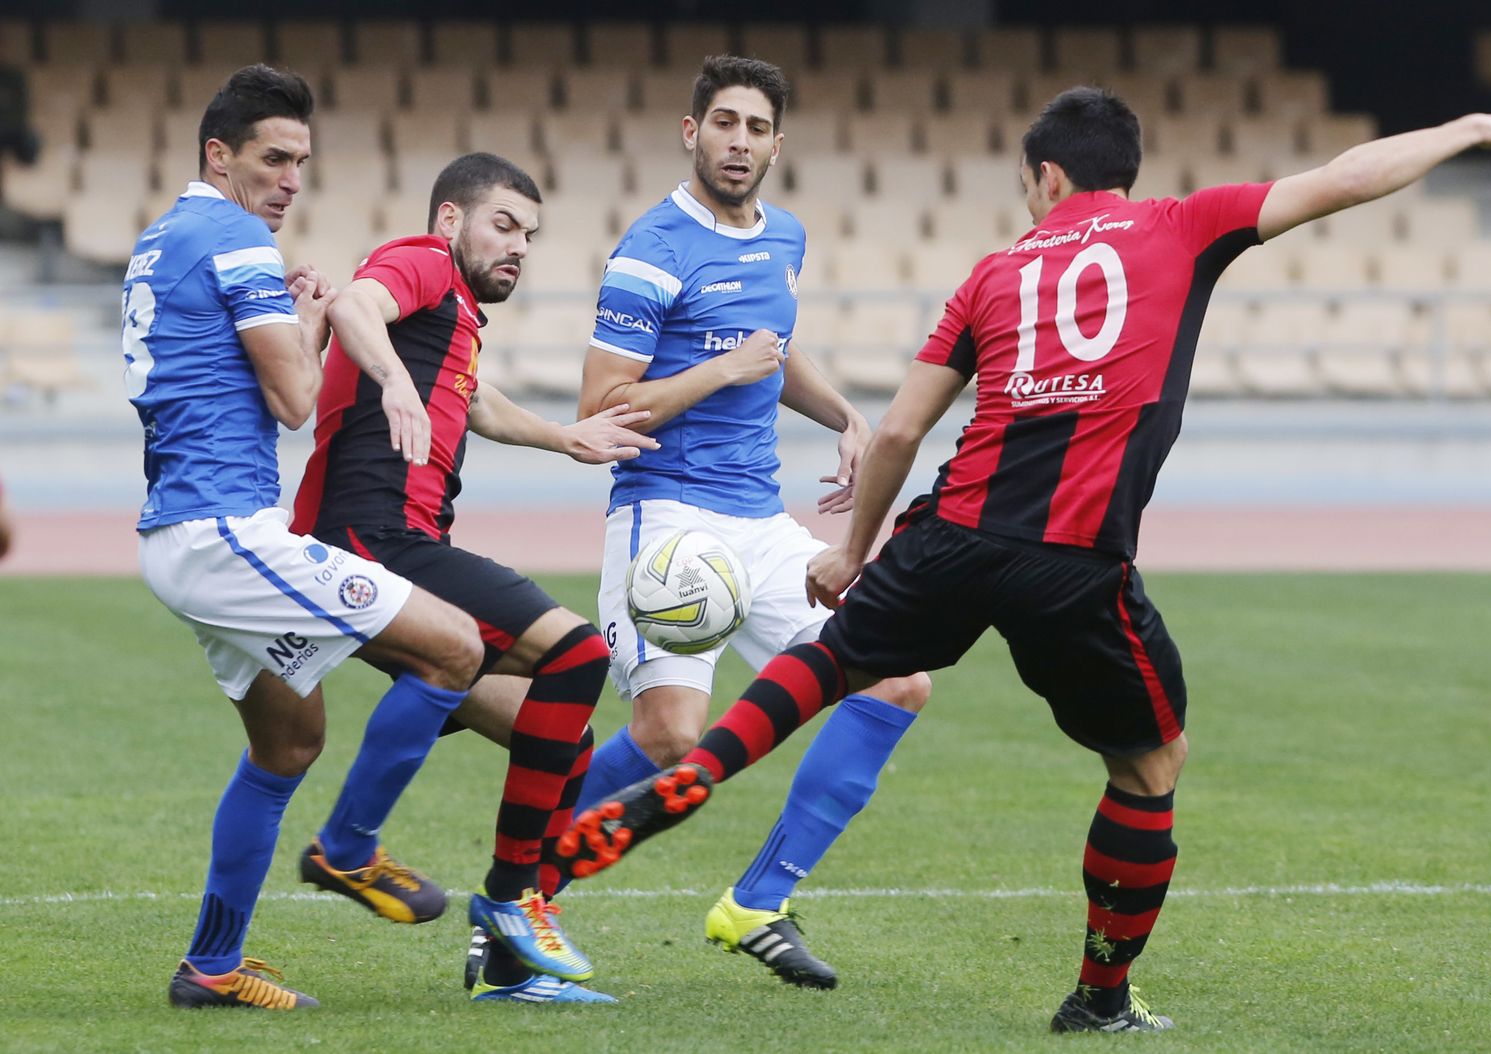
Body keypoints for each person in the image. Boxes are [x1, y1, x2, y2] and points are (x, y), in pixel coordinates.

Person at [552, 89, 1491, 1032]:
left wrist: (854, 549)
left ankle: (700, 772)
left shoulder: (996, 269)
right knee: (1149, 763)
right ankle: (1099, 997)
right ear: (1126, 171)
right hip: (1073, 557)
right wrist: (1462, 125)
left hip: (948, 529)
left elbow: (900, 429)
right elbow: (1342, 177)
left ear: (1046, 179)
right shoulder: (1184, 224)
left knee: (839, 661)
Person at [561, 53, 932, 990]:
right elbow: (605, 408)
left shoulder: (786, 237)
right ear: (691, 133)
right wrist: (718, 372)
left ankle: (757, 903)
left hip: (762, 523)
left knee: (894, 683)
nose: (739, 143)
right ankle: (521, 889)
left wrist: (845, 416)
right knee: (672, 736)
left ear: (777, 143)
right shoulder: (652, 249)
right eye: (723, 123)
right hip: (667, 517)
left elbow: (774, 351)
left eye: (756, 128)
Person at [127, 65, 490, 1011]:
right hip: (222, 530)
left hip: (183, 533)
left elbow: (226, 372)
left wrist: (295, 320)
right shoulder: (238, 239)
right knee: (456, 647)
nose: (291, 179)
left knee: (289, 744)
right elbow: (293, 402)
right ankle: (350, 851)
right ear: (220, 154)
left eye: (301, 163)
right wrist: (313, 316)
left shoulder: (163, 237)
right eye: (273, 159)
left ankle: (210, 967)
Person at [290, 152, 657, 1005]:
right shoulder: (421, 261)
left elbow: (478, 402)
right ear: (451, 221)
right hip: (375, 540)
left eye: (530, 234)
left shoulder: (452, 315)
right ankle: (502, 899)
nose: (519, 246)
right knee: (576, 655)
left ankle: (508, 971)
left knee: (566, 744)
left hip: (390, 546)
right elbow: (354, 303)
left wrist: (568, 437)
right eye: (504, 225)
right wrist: (391, 384)